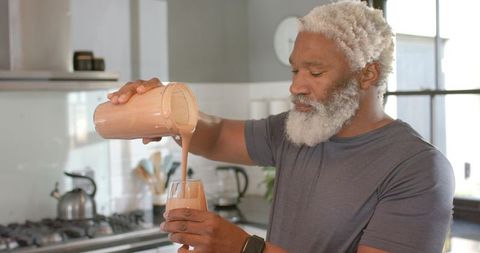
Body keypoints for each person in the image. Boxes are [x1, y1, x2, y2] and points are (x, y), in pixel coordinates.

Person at [107, 1, 454, 252]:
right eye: (294, 70)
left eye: (315, 72)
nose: (296, 86)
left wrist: (246, 248)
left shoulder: (418, 168)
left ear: (368, 73)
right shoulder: (298, 131)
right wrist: (164, 108)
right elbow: (213, 136)